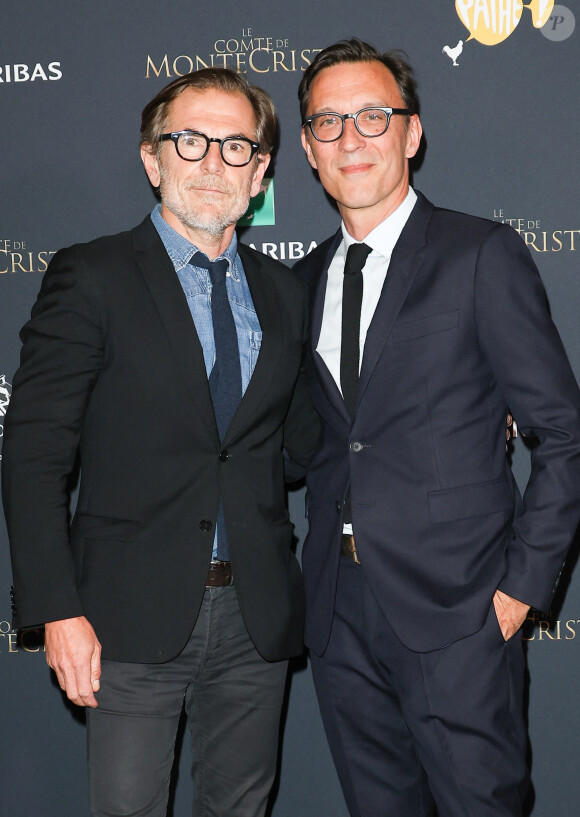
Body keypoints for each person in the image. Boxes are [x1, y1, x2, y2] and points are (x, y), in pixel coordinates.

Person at [2, 67, 319, 817]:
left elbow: (303, 440)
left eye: (236, 145)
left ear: (262, 169)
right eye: (190, 140)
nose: (213, 161)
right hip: (125, 618)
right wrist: (58, 609)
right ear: (153, 159)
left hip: (257, 616)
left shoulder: (285, 292)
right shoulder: (92, 275)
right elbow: (34, 450)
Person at [294, 39, 580, 817]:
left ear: (411, 133)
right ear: (308, 149)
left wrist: (520, 590)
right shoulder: (301, 279)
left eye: (373, 117)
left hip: (461, 611)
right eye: (328, 122)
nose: (351, 138)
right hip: (338, 611)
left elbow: (562, 433)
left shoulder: (480, 255)